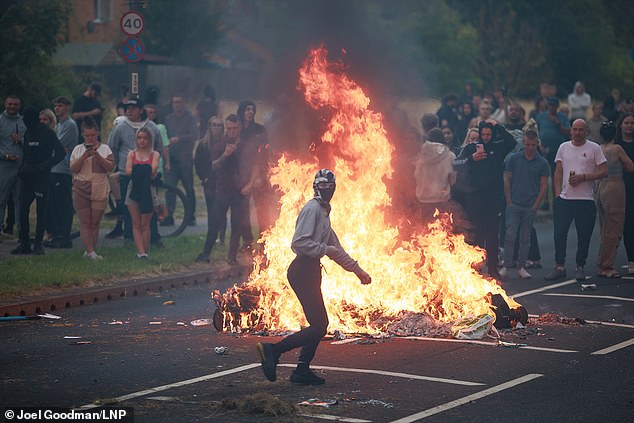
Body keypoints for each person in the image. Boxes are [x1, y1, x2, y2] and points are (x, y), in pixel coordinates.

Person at [256, 169, 371, 386]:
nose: (327, 190)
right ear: (315, 187)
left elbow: (337, 249)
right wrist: (323, 249)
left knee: (318, 324)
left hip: (311, 271)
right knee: (319, 325)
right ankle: (273, 350)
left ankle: (301, 370)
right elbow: (298, 243)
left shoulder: (324, 214)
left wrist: (358, 271)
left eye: (330, 186)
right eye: (323, 186)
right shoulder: (312, 210)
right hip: (302, 271)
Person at [545, 119, 607, 281]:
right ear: (571, 131)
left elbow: (603, 171)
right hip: (565, 199)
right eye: (575, 129)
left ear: (586, 131)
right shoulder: (563, 147)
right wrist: (557, 195)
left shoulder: (594, 148)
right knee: (559, 233)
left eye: (581, 129)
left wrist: (584, 177)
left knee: (584, 235)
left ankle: (580, 266)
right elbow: (558, 172)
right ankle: (559, 265)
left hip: (585, 200)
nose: (578, 132)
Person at [458, 119, 516, 278]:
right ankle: (477, 267)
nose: (486, 137)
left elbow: (512, 142)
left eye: (489, 134)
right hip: (475, 198)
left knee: (492, 235)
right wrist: (472, 158)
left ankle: (492, 268)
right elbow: (457, 163)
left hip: (494, 199)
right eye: (483, 134)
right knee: (477, 233)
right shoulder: (471, 148)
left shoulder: (498, 147)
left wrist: (498, 125)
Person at [195, 115, 251, 264]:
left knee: (237, 225)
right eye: (229, 128)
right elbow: (214, 166)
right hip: (223, 190)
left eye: (235, 128)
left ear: (240, 127)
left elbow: (253, 167)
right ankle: (206, 253)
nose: (232, 131)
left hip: (240, 191)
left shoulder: (246, 146)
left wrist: (250, 185)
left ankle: (232, 257)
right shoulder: (220, 146)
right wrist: (225, 155)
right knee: (214, 222)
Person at [107, 97, 163, 241]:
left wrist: (153, 166)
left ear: (140, 110)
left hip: (146, 174)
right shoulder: (120, 127)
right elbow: (112, 146)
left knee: (148, 206)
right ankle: (129, 238)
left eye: (132, 108)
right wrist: (118, 165)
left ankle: (153, 238)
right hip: (127, 173)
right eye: (127, 108)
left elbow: (159, 147)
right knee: (128, 207)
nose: (129, 111)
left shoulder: (152, 127)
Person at [499, 122, 550, 279]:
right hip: (514, 204)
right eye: (527, 144)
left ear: (537, 144)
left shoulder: (542, 163)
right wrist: (508, 200)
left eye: (533, 145)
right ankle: (507, 266)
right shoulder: (514, 159)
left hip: (529, 205)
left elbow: (543, 186)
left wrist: (536, 205)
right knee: (510, 236)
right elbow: (506, 179)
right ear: (524, 143)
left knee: (525, 238)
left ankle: (521, 266)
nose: (530, 148)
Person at [11, 107, 65, 255]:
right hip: (27, 177)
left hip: (42, 177)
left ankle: (38, 245)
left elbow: (61, 153)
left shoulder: (48, 133)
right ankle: (25, 243)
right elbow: (28, 152)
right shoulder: (28, 132)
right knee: (22, 210)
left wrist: (44, 167)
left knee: (42, 211)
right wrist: (23, 168)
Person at [70, 118, 114, 259]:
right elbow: (73, 169)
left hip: (99, 188)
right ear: (83, 135)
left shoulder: (105, 149)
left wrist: (97, 156)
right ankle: (90, 251)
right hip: (81, 188)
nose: (90, 138)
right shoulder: (77, 149)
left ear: (97, 133)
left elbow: (110, 167)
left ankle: (91, 251)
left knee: (95, 222)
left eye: (93, 135)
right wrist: (84, 156)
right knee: (85, 221)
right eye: (87, 135)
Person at [595, 121, 634, 278]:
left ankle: (602, 261)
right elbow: (630, 166)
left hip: (601, 186)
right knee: (615, 227)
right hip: (615, 186)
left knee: (604, 227)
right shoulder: (617, 148)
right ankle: (607, 265)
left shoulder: (599, 148)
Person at [45, 96, 79, 249]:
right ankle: (57, 234)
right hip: (54, 167)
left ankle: (65, 237)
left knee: (64, 205)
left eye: (60, 106)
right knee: (55, 204)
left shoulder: (70, 125)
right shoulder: (59, 125)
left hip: (63, 168)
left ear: (67, 107)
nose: (57, 108)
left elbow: (56, 144)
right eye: (56, 106)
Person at [125, 127, 160, 259]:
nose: (142, 141)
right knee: (136, 223)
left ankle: (145, 251)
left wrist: (139, 169)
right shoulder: (132, 154)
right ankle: (140, 252)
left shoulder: (154, 154)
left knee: (146, 223)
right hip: (133, 187)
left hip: (148, 189)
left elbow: (153, 170)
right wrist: (143, 169)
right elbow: (128, 171)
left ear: (149, 140)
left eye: (145, 138)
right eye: (139, 138)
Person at [164, 95, 198, 226]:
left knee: (188, 188)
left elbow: (195, 135)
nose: (177, 104)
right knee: (170, 188)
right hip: (171, 159)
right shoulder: (168, 119)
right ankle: (169, 215)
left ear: (183, 103)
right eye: (174, 102)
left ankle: (191, 215)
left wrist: (180, 138)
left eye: (179, 102)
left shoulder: (190, 118)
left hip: (185, 159)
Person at [194, 116, 225, 248]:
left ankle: (222, 238)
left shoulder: (225, 143)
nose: (216, 128)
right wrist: (203, 177)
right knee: (211, 211)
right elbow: (197, 162)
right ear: (209, 127)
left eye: (219, 125)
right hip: (209, 182)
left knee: (222, 212)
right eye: (214, 125)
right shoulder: (203, 144)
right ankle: (211, 236)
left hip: (222, 182)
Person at [414, 128, 456, 221]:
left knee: (423, 231)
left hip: (423, 199)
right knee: (441, 230)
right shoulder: (450, 156)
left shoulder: (421, 156)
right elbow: (453, 179)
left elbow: (416, 176)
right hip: (442, 199)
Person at [0, 95, 26, 236]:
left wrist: (21, 140)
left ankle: (21, 231)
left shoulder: (23, 122)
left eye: (15, 104)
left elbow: (29, 143)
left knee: (20, 201)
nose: (12, 107)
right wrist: (5, 155)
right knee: (1, 199)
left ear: (19, 106)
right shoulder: (0, 121)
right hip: (4, 166)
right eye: (9, 104)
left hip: (20, 167)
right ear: (5, 104)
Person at [615, 112, 634, 274]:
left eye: (632, 123)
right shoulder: (616, 144)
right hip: (621, 188)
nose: (629, 126)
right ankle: (631, 260)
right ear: (620, 125)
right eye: (626, 123)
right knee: (627, 225)